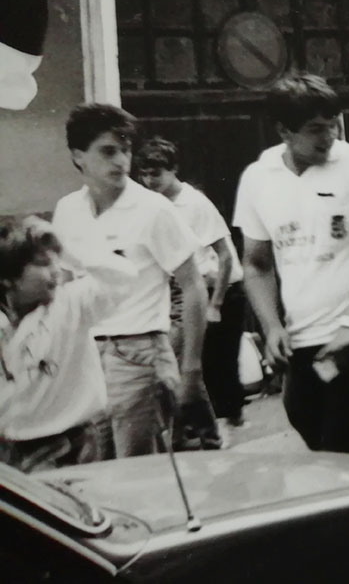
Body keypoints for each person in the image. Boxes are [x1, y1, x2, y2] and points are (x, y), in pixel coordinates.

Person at [233, 73, 349, 457]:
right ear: (284, 132)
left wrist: (348, 321)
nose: (329, 138)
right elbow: (256, 264)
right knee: (305, 421)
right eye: (316, 129)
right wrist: (271, 326)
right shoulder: (258, 178)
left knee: (347, 448)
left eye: (333, 126)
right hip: (303, 340)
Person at [52, 104, 207, 459]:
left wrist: (192, 367)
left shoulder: (153, 209)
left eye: (125, 149)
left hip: (140, 355)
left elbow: (193, 283)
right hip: (87, 356)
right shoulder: (67, 210)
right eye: (108, 151)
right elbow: (62, 286)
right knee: (96, 470)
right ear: (79, 156)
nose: (121, 160)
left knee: (140, 475)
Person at [0, 218, 136, 472]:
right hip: (8, 449)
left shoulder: (72, 304)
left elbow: (124, 277)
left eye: (56, 261)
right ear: (9, 278)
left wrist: (70, 253)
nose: (55, 270)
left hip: (69, 444)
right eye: (42, 264)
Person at [137, 136, 247, 447]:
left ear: (173, 170)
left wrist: (216, 303)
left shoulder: (194, 203)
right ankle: (197, 429)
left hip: (222, 287)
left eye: (156, 174)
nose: (149, 181)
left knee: (216, 362)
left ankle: (222, 424)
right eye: (144, 174)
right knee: (190, 358)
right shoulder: (153, 205)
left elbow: (225, 256)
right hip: (186, 290)